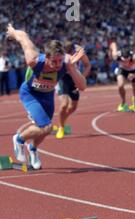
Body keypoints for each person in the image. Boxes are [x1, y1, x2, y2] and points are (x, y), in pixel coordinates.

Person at [6, 24, 86, 169]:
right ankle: (19, 139)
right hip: (30, 94)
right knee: (47, 127)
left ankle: (33, 149)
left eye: (60, 61)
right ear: (46, 57)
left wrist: (72, 68)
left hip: (47, 95)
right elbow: (24, 37)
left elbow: (82, 86)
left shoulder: (67, 63)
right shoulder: (34, 59)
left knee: (42, 129)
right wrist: (13, 32)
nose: (57, 65)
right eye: (54, 61)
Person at [55, 41, 91, 139]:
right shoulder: (57, 52)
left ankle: (62, 122)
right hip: (63, 77)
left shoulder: (79, 51)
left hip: (75, 76)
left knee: (73, 107)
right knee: (64, 104)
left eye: (70, 53)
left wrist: (81, 78)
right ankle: (61, 127)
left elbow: (88, 65)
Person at [109, 41, 135, 112]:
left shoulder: (134, 57)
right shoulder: (116, 55)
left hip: (133, 70)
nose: (126, 62)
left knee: (134, 85)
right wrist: (110, 52)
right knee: (120, 85)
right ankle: (123, 102)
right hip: (122, 69)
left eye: (127, 60)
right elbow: (113, 44)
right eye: (124, 60)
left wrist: (134, 75)